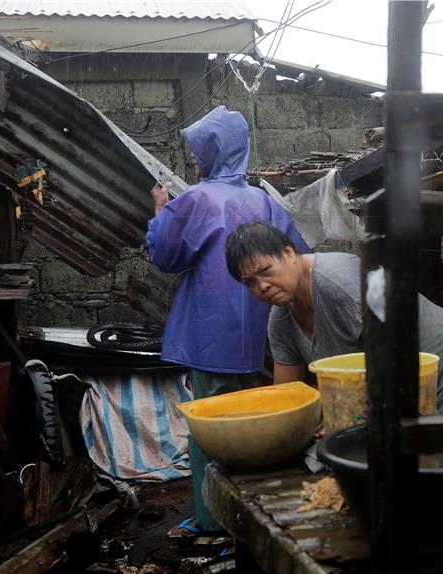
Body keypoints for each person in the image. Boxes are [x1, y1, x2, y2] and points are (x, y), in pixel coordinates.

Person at [145, 106, 308, 535]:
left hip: (208, 334)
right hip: (258, 335)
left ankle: (213, 519)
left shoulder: (197, 199)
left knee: (210, 431)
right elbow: (300, 253)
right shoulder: (263, 200)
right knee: (251, 428)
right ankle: (254, 515)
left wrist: (161, 209)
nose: (195, 159)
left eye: (199, 151)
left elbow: (164, 254)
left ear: (214, 151)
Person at [225, 222, 443, 415]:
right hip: (391, 384)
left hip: (442, 361)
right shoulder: (281, 320)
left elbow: (394, 354)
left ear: (288, 253)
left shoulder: (340, 284)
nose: (261, 286)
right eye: (250, 282)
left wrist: (345, 414)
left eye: (266, 271)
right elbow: (288, 397)